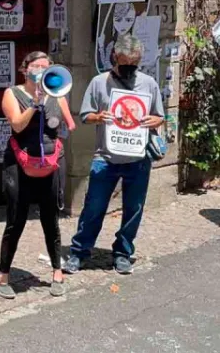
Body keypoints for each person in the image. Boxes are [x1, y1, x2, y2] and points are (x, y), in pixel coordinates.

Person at [65, 34, 164, 276]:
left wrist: (155, 120)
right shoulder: (99, 83)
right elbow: (85, 115)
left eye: (134, 64)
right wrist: (99, 116)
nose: (130, 69)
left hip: (138, 159)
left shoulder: (149, 84)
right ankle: (78, 253)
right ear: (114, 59)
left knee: (134, 209)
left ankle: (122, 253)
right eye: (125, 64)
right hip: (106, 157)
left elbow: (160, 116)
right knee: (93, 208)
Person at [0, 52, 72, 300]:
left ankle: (57, 272)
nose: (40, 70)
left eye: (45, 67)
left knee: (51, 219)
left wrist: (57, 104)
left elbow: (68, 124)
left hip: (48, 163)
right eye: (36, 66)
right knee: (16, 220)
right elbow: (17, 124)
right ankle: (3, 275)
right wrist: (35, 104)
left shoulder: (55, 93)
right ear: (25, 69)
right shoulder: (12, 93)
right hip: (19, 164)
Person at [97, 2, 136, 72]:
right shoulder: (111, 44)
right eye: (118, 20)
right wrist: (101, 46)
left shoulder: (134, 42)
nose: (123, 24)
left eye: (128, 20)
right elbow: (105, 64)